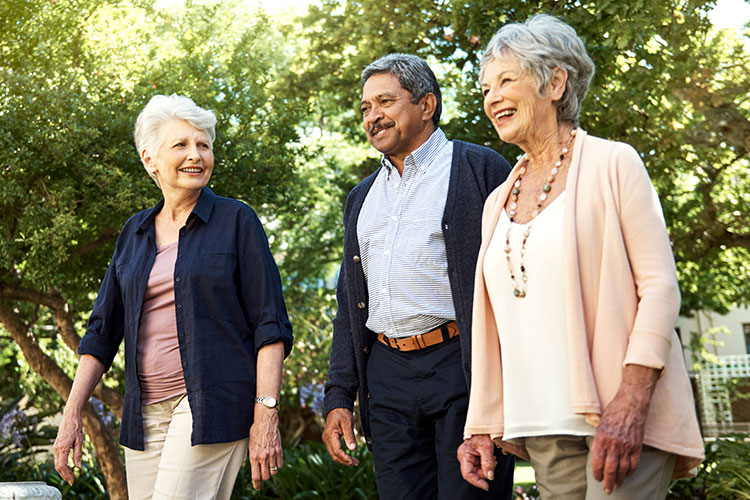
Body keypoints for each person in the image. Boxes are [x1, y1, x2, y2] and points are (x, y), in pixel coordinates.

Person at [457, 14, 704, 499]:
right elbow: (495, 327)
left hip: (615, 414)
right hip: (541, 423)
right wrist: (480, 424)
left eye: (507, 80)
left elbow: (659, 288)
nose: (491, 97)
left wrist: (631, 401)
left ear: (554, 81)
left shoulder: (615, 163)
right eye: (486, 88)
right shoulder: (496, 202)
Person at [53, 94, 293, 499]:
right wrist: (72, 412)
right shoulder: (135, 232)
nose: (195, 155)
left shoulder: (237, 221)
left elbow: (270, 325)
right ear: (150, 160)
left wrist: (265, 412)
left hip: (210, 406)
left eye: (203, 145)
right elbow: (102, 331)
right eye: (180, 145)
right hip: (143, 415)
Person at [322, 53, 515, 499]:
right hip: (387, 376)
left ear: (426, 105)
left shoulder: (481, 170)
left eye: (385, 101)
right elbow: (349, 305)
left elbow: (513, 281)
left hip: (462, 368)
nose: (373, 116)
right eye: (366, 107)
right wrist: (338, 396)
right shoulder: (360, 198)